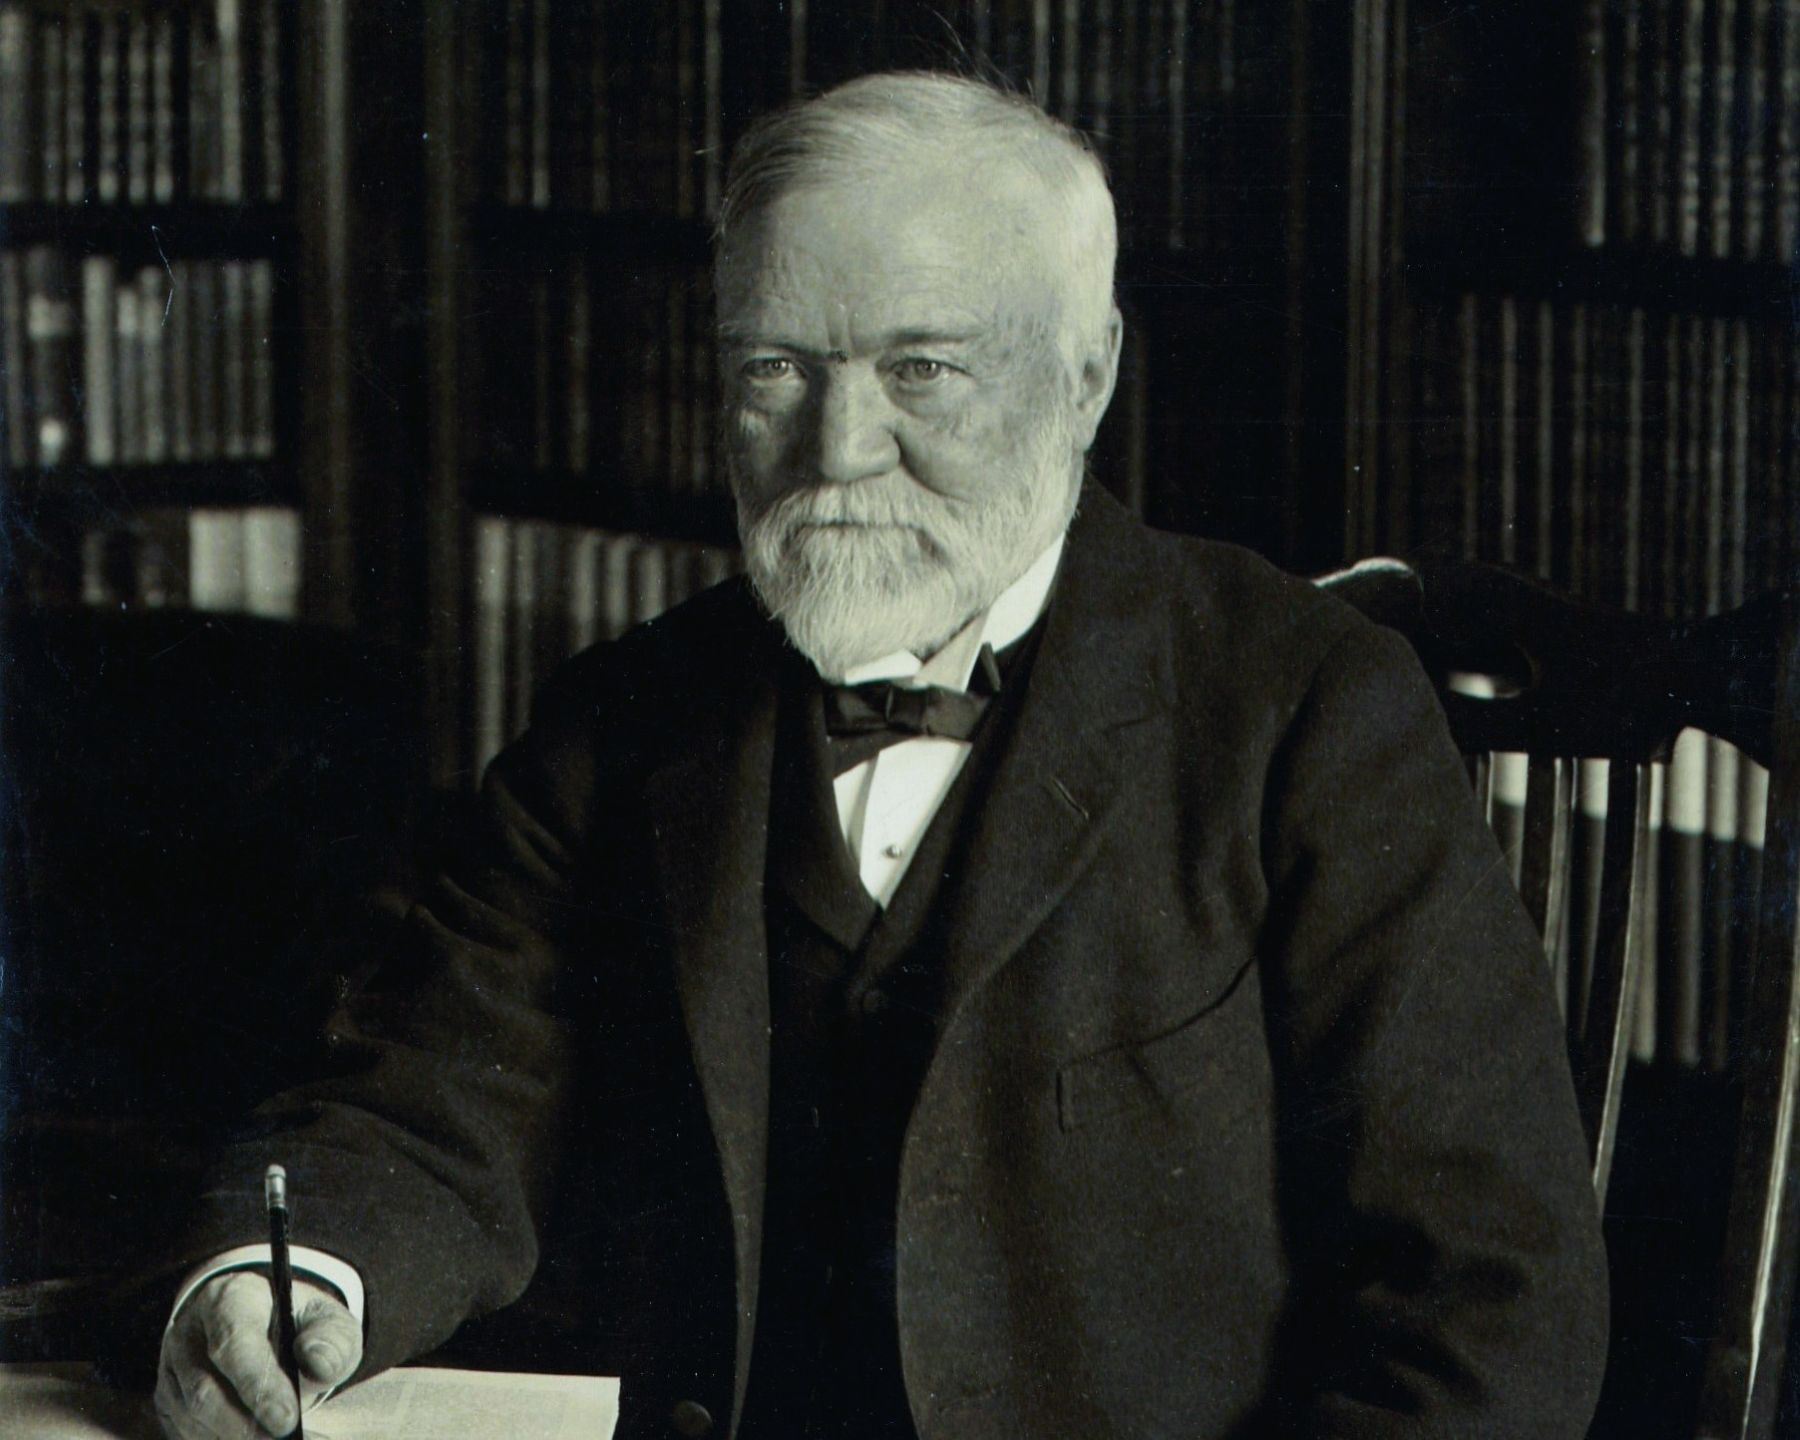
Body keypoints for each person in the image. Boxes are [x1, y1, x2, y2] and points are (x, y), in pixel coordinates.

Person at [153, 71, 1608, 1440]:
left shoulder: (1306, 711)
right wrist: (295, 1279)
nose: (838, 447)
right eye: (776, 368)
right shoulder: (626, 715)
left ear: (1085, 377)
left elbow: (1487, 1299)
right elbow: (428, 1089)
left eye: (922, 369)